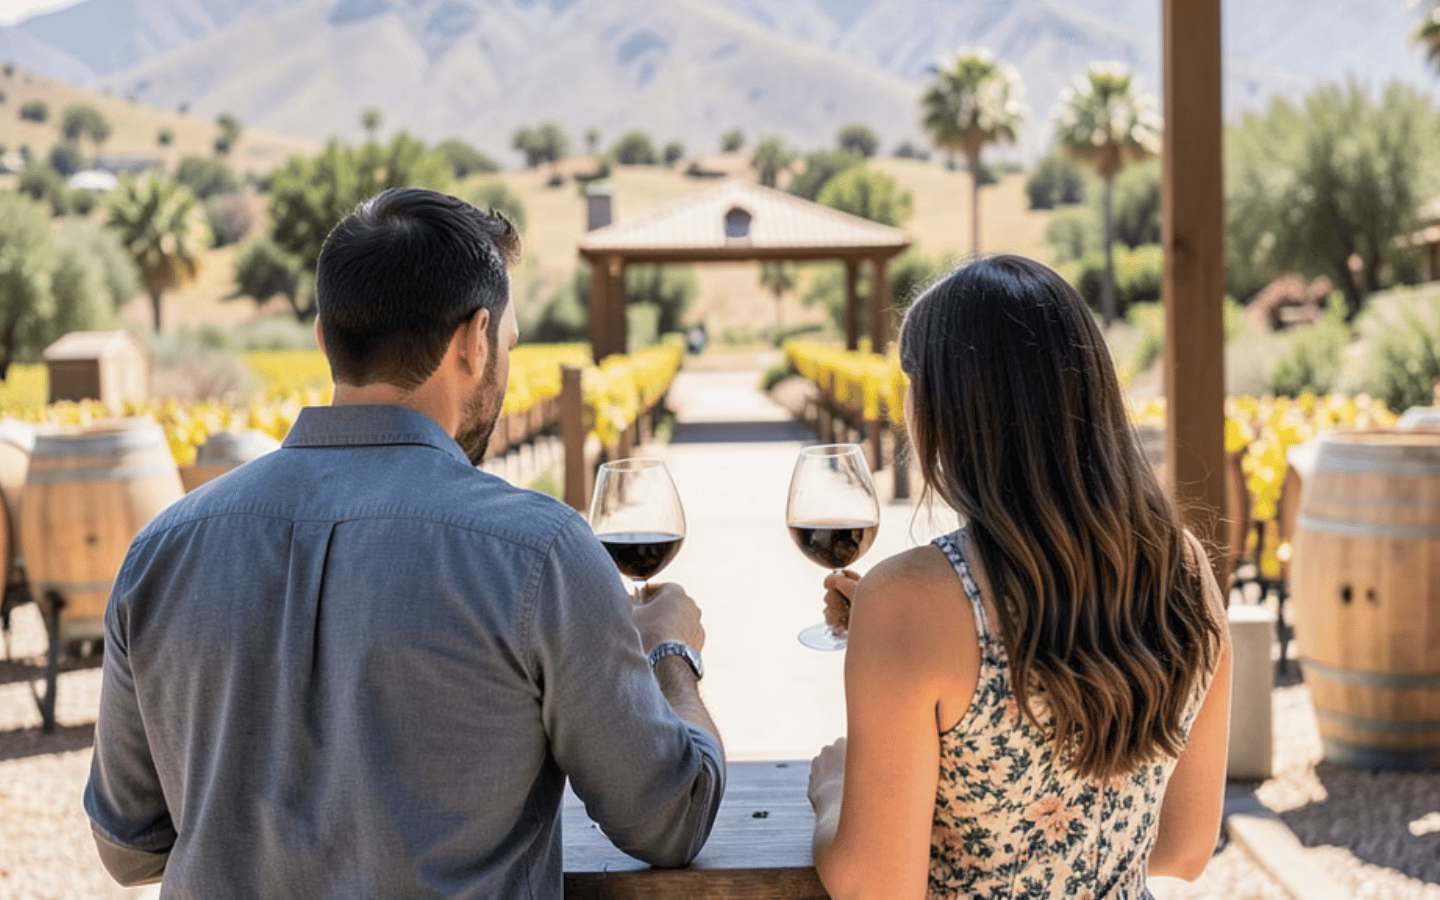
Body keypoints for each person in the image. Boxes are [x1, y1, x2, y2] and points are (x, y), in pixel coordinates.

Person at [84, 188, 725, 899]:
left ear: (325, 338)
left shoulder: (161, 552)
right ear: (475, 340)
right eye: (506, 344)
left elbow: (127, 848)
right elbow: (669, 818)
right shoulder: (538, 555)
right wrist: (669, 653)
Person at [807, 254, 1232, 900]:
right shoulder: (1188, 571)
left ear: (947, 408)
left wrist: (832, 790)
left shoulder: (906, 603)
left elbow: (874, 889)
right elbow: (1183, 849)